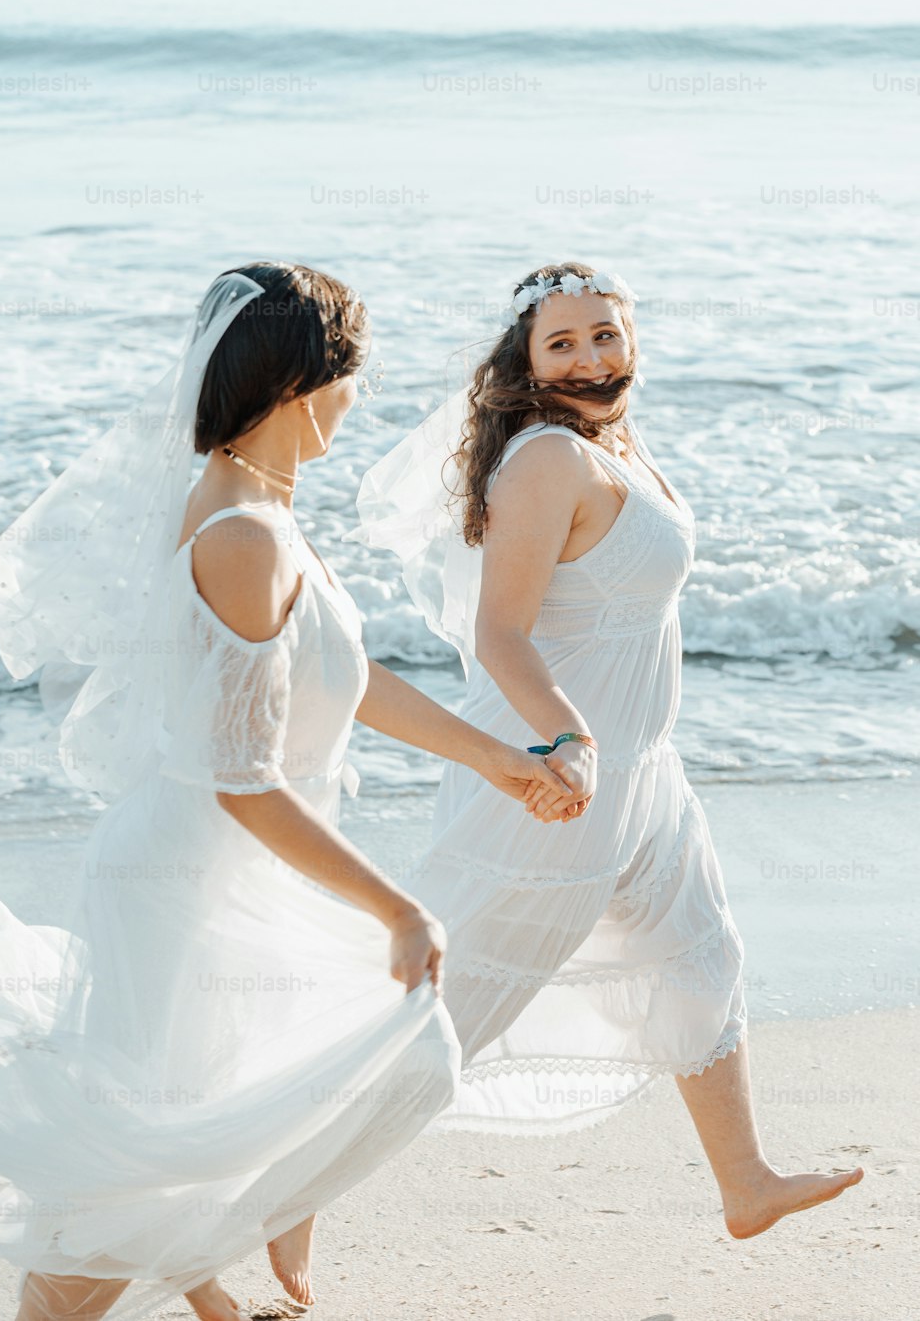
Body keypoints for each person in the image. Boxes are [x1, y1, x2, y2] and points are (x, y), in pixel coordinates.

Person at [0, 262, 575, 1321]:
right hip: (194, 885)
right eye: (351, 376)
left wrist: (496, 758)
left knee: (301, 1097)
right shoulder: (240, 536)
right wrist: (398, 908)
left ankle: (228, 1275)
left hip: (245, 876)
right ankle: (224, 1260)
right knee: (119, 1203)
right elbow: (241, 781)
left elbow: (340, 678)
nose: (358, 401)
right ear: (301, 381)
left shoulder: (255, 505)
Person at [353, 260, 864, 1238]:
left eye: (606, 335)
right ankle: (275, 1188)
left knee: (696, 957)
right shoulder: (550, 459)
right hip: (557, 775)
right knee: (449, 1013)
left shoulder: (615, 442)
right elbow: (502, 632)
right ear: (527, 364)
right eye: (563, 343)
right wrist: (566, 740)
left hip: (641, 772)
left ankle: (745, 1185)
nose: (591, 357)